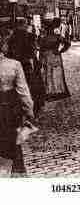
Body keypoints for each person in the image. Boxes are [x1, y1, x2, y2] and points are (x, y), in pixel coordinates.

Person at [0, 29, 35, 176]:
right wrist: (29, 112)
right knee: (11, 146)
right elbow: (24, 93)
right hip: (7, 110)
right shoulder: (14, 65)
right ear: (3, 46)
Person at [7, 19, 45, 117]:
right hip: (28, 63)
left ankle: (19, 108)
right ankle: (34, 107)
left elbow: (9, 52)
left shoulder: (12, 37)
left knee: (16, 86)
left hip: (15, 63)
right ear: (25, 25)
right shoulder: (30, 36)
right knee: (32, 85)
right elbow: (33, 51)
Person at [39, 19, 72, 101]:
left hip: (49, 57)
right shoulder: (55, 37)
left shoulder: (45, 38)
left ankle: (52, 92)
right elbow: (67, 44)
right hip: (53, 56)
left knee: (51, 74)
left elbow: (67, 43)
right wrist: (61, 51)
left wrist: (61, 51)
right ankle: (56, 91)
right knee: (53, 74)